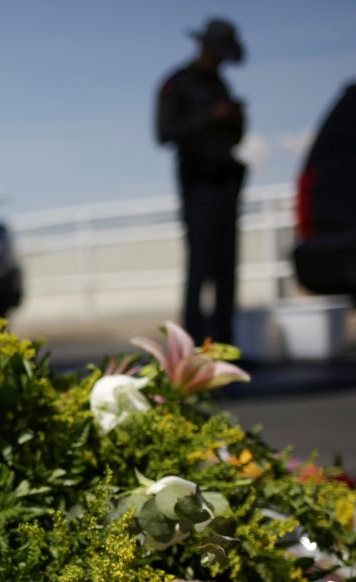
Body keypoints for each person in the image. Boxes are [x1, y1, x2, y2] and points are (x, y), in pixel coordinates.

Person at [156, 18, 247, 344]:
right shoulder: (178, 83)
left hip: (226, 184)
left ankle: (225, 346)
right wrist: (211, 117)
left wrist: (236, 119)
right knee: (199, 267)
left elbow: (235, 138)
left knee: (227, 269)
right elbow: (165, 133)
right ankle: (191, 347)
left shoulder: (222, 86)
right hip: (198, 185)